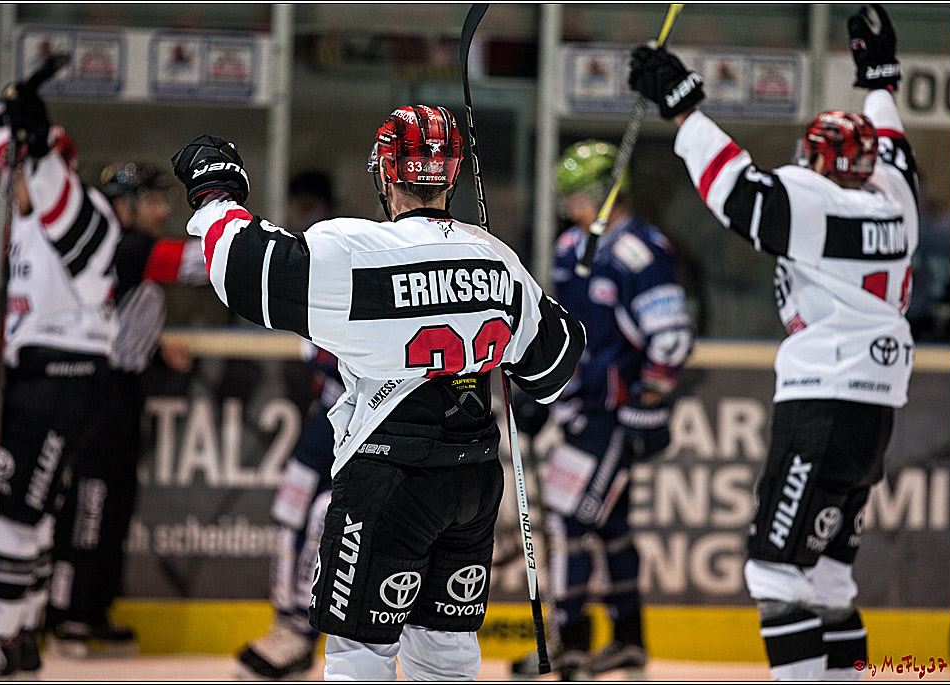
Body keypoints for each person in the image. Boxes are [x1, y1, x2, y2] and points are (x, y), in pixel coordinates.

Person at [169, 104, 586, 680]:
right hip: (472, 480)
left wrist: (216, 193)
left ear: (387, 172)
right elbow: (554, 367)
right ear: (454, 174)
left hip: (387, 478)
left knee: (359, 651)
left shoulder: (356, 250)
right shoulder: (497, 257)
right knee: (445, 653)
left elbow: (244, 272)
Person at [628, 4, 917, 679]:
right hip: (873, 410)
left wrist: (682, 105)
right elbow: (894, 142)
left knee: (775, 573)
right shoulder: (894, 193)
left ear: (820, 162)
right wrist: (880, 79)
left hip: (822, 405)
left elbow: (735, 190)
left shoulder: (815, 205)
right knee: (829, 581)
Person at [0, 53, 120, 680]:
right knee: (27, 512)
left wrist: (36, 140)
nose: (9, 182)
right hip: (37, 380)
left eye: (27, 168)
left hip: (63, 381)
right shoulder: (29, 202)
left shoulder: (84, 216)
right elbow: (13, 166)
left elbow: (48, 186)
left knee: (13, 513)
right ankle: (21, 636)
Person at [511, 142, 693, 679]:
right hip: (583, 410)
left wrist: (649, 405)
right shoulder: (571, 247)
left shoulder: (642, 252)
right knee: (609, 525)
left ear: (604, 193)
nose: (569, 206)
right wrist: (544, 392)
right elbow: (563, 335)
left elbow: (672, 339)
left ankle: (569, 641)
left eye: (577, 195)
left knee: (570, 518)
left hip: (617, 415)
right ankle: (629, 641)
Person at [46, 161, 209, 657]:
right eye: (153, 201)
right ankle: (69, 611)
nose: (162, 210)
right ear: (122, 206)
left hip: (122, 388)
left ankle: (93, 609)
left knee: (115, 502)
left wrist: (157, 349)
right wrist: (252, 248)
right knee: (91, 501)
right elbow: (189, 266)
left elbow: (117, 313)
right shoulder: (122, 245)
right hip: (96, 390)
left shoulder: (125, 248)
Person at [235, 173, 344, 680]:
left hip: (356, 424)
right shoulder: (310, 290)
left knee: (323, 519)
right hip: (324, 416)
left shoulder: (356, 285)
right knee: (290, 509)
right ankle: (285, 626)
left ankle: (304, 631)